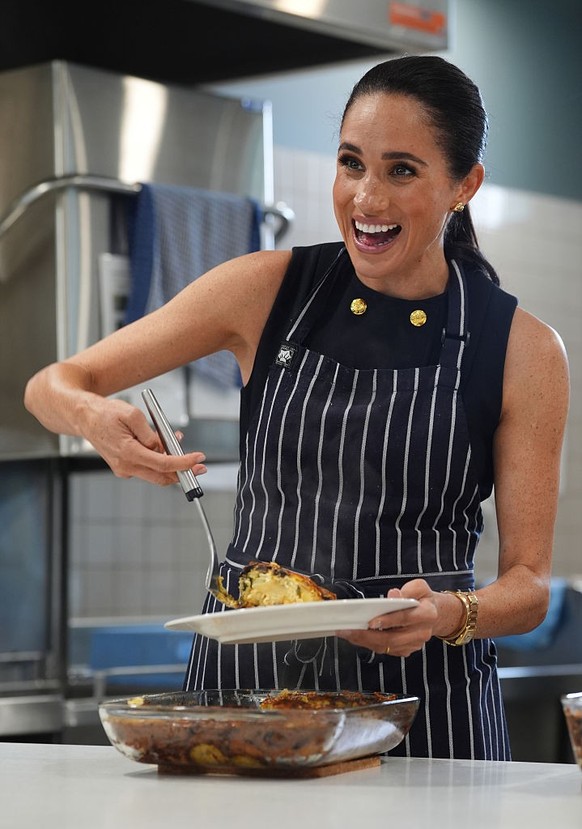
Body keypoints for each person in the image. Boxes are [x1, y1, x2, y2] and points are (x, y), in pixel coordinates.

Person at [24, 55, 569, 760]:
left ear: (464, 185)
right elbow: (54, 383)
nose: (366, 198)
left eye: (401, 170)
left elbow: (529, 587)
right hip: (243, 696)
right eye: (351, 163)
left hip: (427, 708)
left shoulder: (523, 349)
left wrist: (447, 612)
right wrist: (93, 417)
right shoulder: (266, 289)